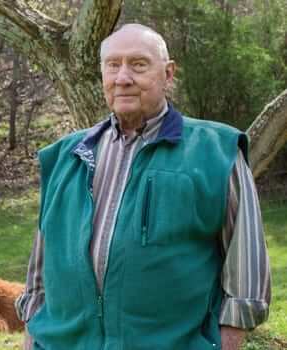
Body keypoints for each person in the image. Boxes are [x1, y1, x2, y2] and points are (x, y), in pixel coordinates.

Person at [14, 23, 271, 350]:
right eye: (113, 65)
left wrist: (228, 341)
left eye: (138, 65)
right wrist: (32, 333)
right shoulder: (66, 157)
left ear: (168, 74)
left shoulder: (216, 151)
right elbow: (40, 271)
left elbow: (246, 270)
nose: (123, 77)